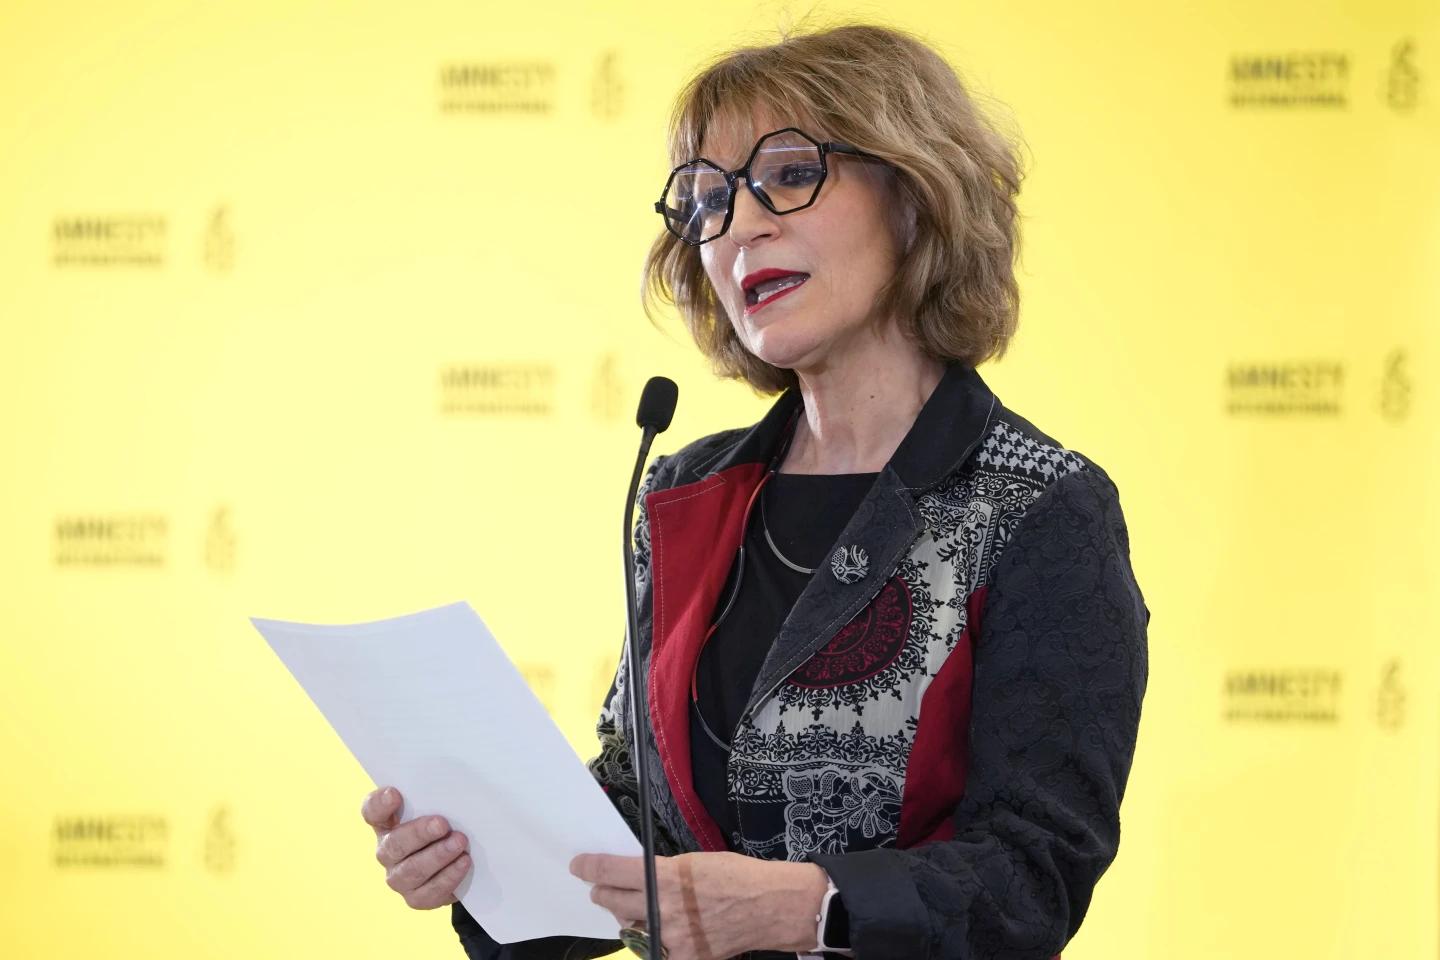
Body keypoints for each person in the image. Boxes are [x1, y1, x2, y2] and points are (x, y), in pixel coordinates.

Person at [361, 22, 1149, 960]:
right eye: (706, 199)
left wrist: (805, 908)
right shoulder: (689, 488)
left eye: (788, 174)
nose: (738, 225)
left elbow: (1033, 878)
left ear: (915, 196)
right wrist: (484, 861)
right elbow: (637, 817)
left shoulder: (1041, 507)